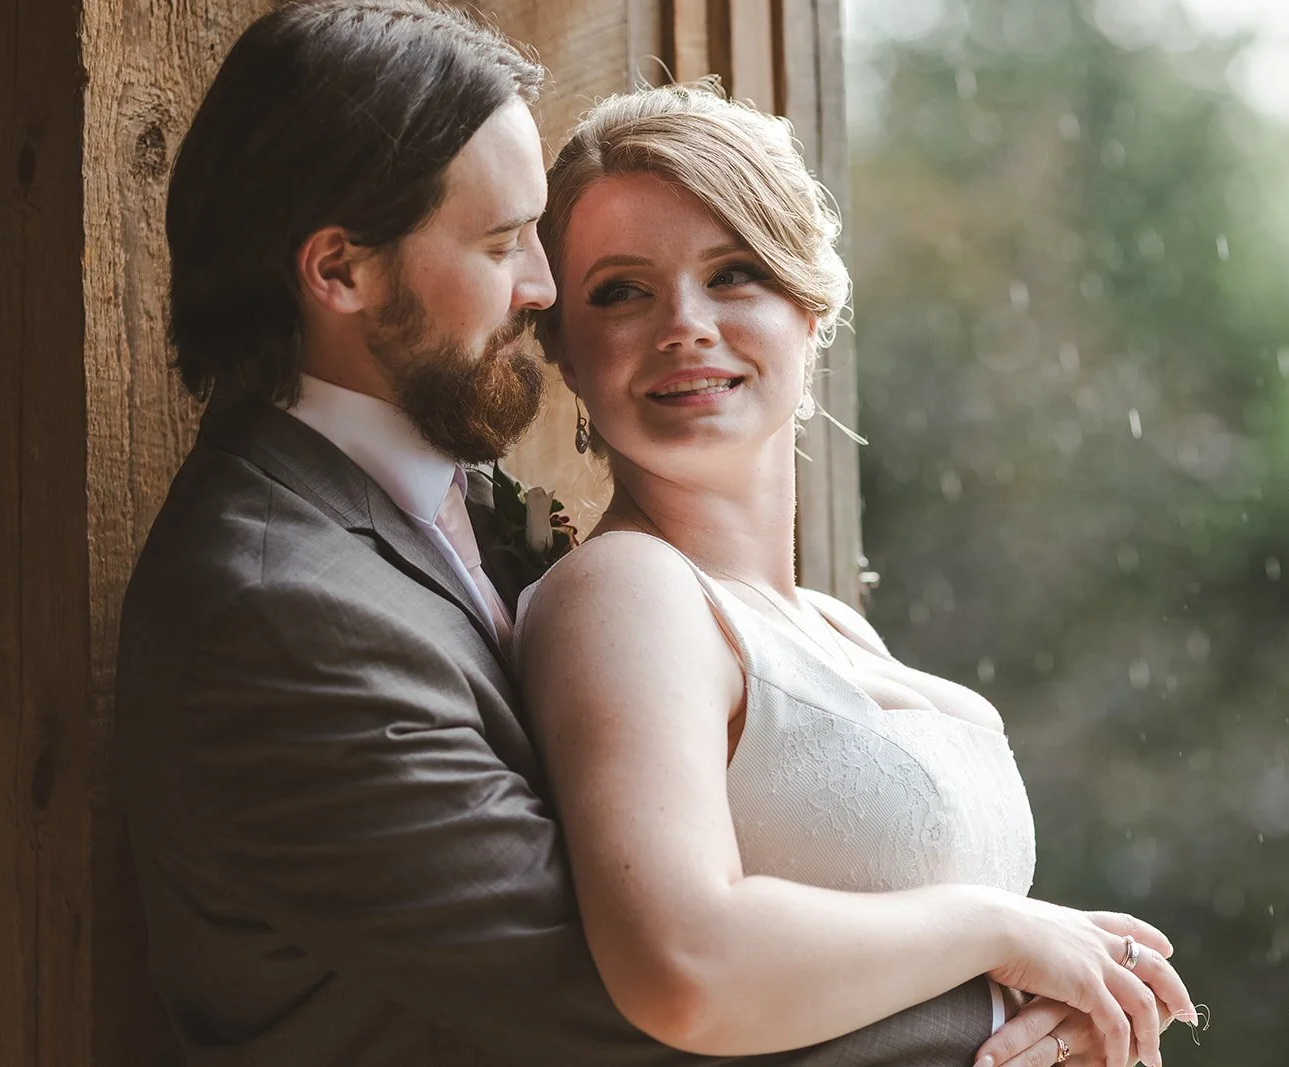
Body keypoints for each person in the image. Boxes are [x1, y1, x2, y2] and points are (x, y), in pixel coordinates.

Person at [116, 2, 1177, 1064]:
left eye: (737, 272)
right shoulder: (279, 602)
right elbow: (619, 982)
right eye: (503, 244)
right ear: (340, 272)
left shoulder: (459, 510)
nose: (538, 290)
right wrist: (1009, 999)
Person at [515, 83, 1198, 1067]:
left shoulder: (833, 625)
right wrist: (1000, 929)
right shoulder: (625, 591)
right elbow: (683, 962)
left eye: (733, 272)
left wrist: (1052, 994)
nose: (683, 324)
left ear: (809, 308)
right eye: (621, 290)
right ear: (568, 357)